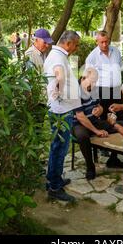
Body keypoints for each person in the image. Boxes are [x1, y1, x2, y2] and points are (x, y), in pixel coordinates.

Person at [43, 30, 81, 202]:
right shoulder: (58, 57)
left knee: (56, 146)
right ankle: (55, 186)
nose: (76, 48)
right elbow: (59, 74)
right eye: (76, 45)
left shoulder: (56, 54)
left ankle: (52, 178)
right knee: (60, 148)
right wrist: (60, 92)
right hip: (61, 110)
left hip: (59, 108)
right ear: (69, 43)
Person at [73, 68, 123, 180]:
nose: (94, 84)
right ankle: (90, 167)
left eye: (95, 81)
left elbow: (99, 106)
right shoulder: (75, 92)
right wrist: (97, 131)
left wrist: (100, 109)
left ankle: (113, 159)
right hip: (78, 124)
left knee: (122, 124)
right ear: (83, 78)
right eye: (92, 81)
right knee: (82, 136)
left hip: (94, 121)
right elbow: (81, 117)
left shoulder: (93, 89)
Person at [85, 30, 123, 168]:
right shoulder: (92, 57)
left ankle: (114, 157)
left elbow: (119, 68)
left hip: (116, 90)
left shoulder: (116, 51)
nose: (104, 44)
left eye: (107, 41)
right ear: (97, 41)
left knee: (119, 120)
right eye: (101, 42)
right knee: (104, 121)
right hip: (101, 90)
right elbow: (89, 78)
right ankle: (103, 149)